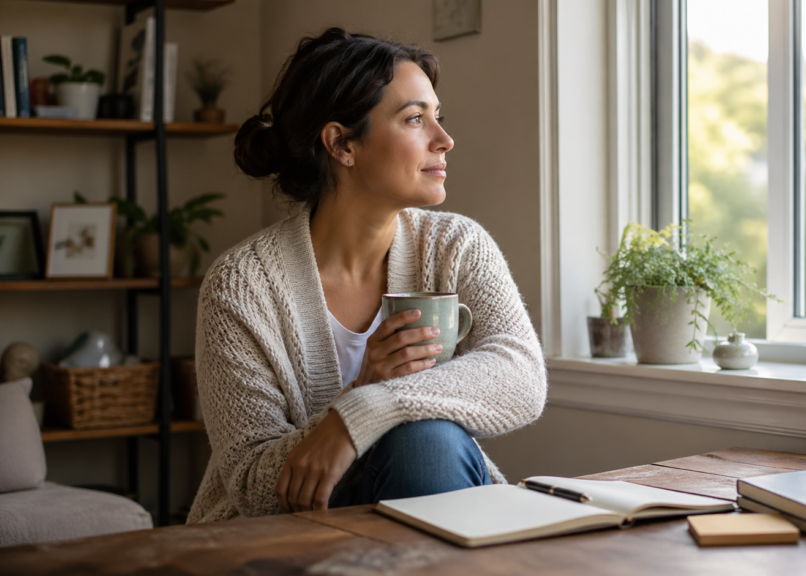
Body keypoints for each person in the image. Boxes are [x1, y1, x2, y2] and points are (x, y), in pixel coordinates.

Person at [186, 28, 547, 524]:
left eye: (438, 118)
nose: (445, 140)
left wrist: (363, 412)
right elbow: (250, 481)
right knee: (429, 442)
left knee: (428, 443)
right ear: (341, 144)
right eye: (415, 119)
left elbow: (521, 377)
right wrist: (356, 401)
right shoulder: (241, 285)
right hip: (277, 537)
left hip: (424, 499)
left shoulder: (457, 245)